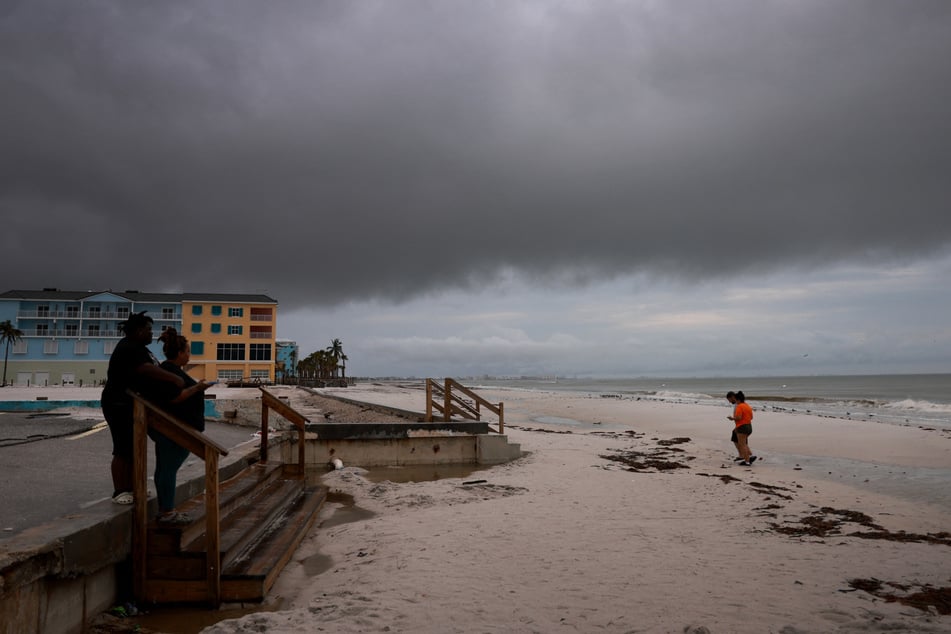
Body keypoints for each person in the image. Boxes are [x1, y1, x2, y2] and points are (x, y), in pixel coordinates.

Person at [101, 312, 185, 505]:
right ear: (139, 331)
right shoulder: (128, 347)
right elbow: (145, 369)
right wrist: (173, 378)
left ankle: (134, 486)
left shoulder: (140, 348)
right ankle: (120, 491)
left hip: (134, 406)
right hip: (118, 404)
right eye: (148, 330)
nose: (151, 333)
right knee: (122, 448)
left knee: (133, 448)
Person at [150, 327, 215, 524]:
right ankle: (167, 512)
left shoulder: (169, 370)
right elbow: (174, 398)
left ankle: (165, 510)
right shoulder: (168, 372)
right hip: (173, 429)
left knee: (164, 469)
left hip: (172, 428)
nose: (189, 355)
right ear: (179, 353)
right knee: (168, 469)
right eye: (187, 351)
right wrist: (198, 387)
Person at [727, 390, 756, 466]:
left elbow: (739, 417)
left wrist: (732, 418)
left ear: (738, 399)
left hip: (742, 427)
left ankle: (747, 461)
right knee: (744, 444)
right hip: (749, 426)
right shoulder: (747, 406)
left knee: (742, 444)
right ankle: (749, 457)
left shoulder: (739, 406)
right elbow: (751, 417)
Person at [725, 391, 742, 461]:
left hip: (741, 425)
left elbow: (740, 416)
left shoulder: (739, 404)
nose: (729, 402)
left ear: (732, 397)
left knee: (741, 441)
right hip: (739, 425)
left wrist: (732, 418)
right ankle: (742, 455)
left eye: (729, 400)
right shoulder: (736, 404)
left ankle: (744, 455)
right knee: (737, 439)